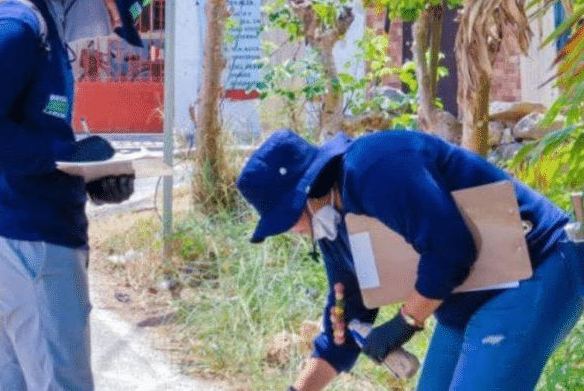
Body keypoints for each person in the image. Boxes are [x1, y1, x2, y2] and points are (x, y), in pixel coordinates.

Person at [0, 0, 155, 391]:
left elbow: (34, 138)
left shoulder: (50, 37)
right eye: (114, 12)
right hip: (29, 243)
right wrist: (64, 156)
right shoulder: (17, 27)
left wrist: (92, 176)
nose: (110, 27)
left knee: (17, 382)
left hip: (39, 239)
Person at [236, 129, 584, 391]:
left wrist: (406, 321)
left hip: (537, 266)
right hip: (471, 295)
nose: (290, 230)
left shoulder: (375, 168)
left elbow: (451, 249)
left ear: (305, 193)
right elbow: (347, 322)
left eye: (286, 218)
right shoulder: (332, 225)